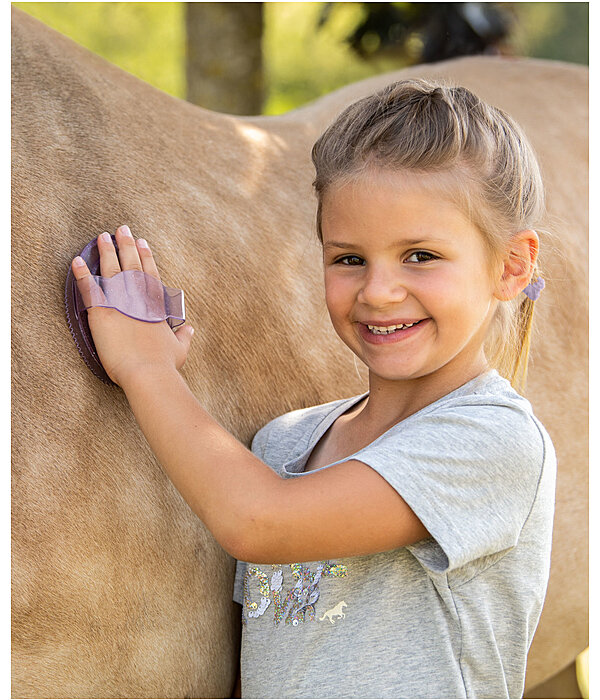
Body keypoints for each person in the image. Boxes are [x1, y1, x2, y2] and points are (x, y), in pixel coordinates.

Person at [71, 79, 556, 699]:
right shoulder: (282, 445)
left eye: (421, 256)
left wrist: (148, 370)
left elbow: (258, 522)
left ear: (512, 265)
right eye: (349, 258)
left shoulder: (494, 439)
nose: (378, 291)